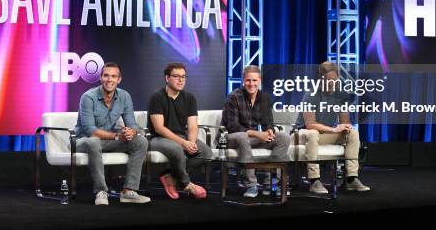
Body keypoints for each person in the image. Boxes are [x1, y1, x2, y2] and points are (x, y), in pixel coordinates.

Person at [75, 62, 151, 205]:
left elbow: (132, 124)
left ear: (119, 79)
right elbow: (90, 131)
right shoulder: (88, 97)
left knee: (141, 141)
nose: (109, 80)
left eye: (113, 76)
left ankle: (128, 191)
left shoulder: (124, 96)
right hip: (83, 141)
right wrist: (117, 136)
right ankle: (101, 192)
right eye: (106, 76)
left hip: (108, 140)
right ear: (101, 78)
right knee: (93, 141)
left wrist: (131, 131)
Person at [296, 61, 370, 194]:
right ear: (321, 78)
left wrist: (344, 127)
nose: (332, 83)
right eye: (329, 80)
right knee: (313, 133)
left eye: (335, 80)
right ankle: (314, 181)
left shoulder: (341, 95)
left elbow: (344, 122)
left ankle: (351, 178)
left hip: (325, 134)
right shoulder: (311, 94)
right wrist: (333, 129)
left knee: (352, 133)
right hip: (302, 134)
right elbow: (310, 124)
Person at [221, 65, 291, 197]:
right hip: (228, 138)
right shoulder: (234, 97)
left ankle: (270, 183)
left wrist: (269, 131)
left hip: (250, 138)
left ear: (259, 81)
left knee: (283, 137)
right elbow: (233, 126)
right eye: (248, 80)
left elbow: (268, 122)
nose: (251, 84)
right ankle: (251, 185)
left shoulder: (264, 97)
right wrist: (258, 134)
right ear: (243, 81)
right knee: (242, 136)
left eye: (254, 80)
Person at [147, 62, 211, 199]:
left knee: (206, 151)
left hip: (181, 137)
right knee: (176, 148)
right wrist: (183, 143)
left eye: (183, 76)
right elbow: (159, 128)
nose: (181, 80)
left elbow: (193, 126)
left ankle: (170, 175)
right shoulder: (157, 97)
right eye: (176, 76)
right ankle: (187, 184)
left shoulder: (189, 98)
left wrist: (191, 142)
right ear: (167, 78)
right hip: (158, 138)